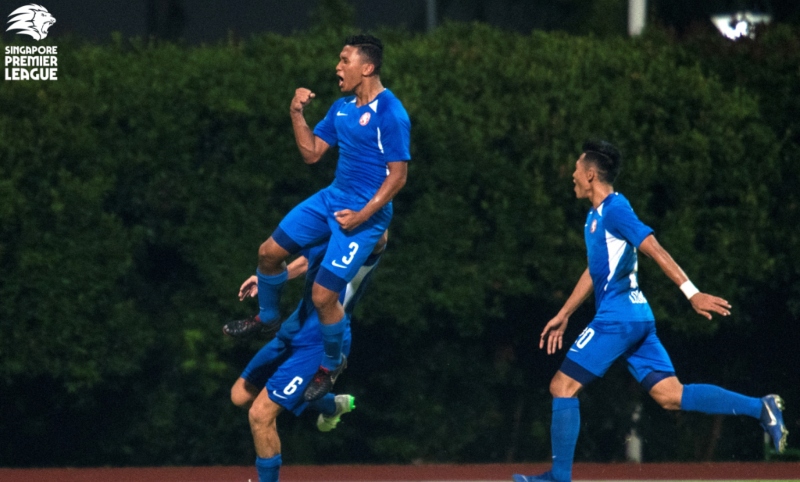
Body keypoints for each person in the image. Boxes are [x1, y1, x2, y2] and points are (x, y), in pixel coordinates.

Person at [513, 140, 788, 482]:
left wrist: (692, 293)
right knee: (671, 395)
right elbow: (595, 270)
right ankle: (760, 407)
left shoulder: (615, 209)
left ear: (590, 175)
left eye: (576, 169)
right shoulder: (595, 217)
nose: (572, 175)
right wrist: (565, 313)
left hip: (617, 320)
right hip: (636, 318)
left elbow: (654, 248)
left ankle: (558, 477)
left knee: (561, 386)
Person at [225, 34, 410, 402]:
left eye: (344, 60)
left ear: (367, 67)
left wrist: (362, 215)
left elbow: (398, 176)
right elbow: (312, 153)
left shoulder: (391, 112)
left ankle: (329, 365)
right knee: (268, 253)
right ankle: (267, 317)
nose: (337, 67)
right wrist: (296, 113)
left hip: (364, 215)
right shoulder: (342, 108)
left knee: (323, 296)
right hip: (332, 199)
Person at [230, 232, 387, 482]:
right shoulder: (329, 230)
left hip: (321, 343)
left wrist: (370, 212)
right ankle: (330, 405)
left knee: (260, 415)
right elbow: (304, 262)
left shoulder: (365, 243)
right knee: (240, 395)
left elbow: (381, 237)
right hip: (294, 330)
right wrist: (267, 280)